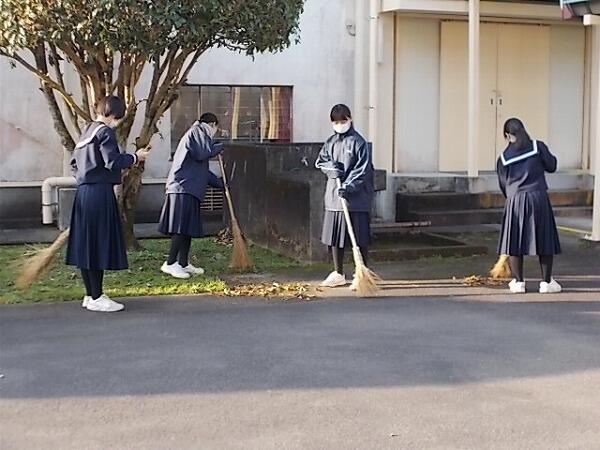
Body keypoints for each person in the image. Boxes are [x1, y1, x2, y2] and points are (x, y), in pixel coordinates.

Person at [66, 95, 150, 312]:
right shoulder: (104, 132)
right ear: (113, 114)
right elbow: (112, 161)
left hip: (83, 193)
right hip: (99, 194)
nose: (117, 122)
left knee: (87, 245)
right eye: (118, 117)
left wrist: (92, 175)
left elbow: (74, 164)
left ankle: (90, 294)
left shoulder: (87, 131)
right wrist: (135, 157)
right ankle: (97, 296)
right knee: (97, 244)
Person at [497, 117, 562, 294]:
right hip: (538, 197)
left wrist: (513, 198)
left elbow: (503, 185)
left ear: (507, 136)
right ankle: (546, 282)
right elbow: (552, 166)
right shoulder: (537, 147)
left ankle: (519, 282)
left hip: (515, 201)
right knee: (544, 239)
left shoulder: (503, 159)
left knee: (514, 241)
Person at [158, 112, 225, 279]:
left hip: (189, 188)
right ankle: (170, 263)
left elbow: (202, 170)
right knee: (180, 227)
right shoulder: (197, 132)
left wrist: (221, 184)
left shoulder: (199, 137)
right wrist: (221, 146)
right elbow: (204, 153)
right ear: (212, 124)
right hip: (182, 187)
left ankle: (183, 263)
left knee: (187, 228)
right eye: (216, 128)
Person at [315, 104, 374, 290]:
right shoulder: (331, 142)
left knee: (359, 238)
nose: (339, 125)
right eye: (336, 122)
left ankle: (361, 271)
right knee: (336, 237)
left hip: (356, 200)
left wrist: (349, 186)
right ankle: (338, 272)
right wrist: (331, 169)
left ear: (350, 119)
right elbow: (321, 161)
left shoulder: (359, 143)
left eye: (343, 121)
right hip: (335, 198)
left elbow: (363, 169)